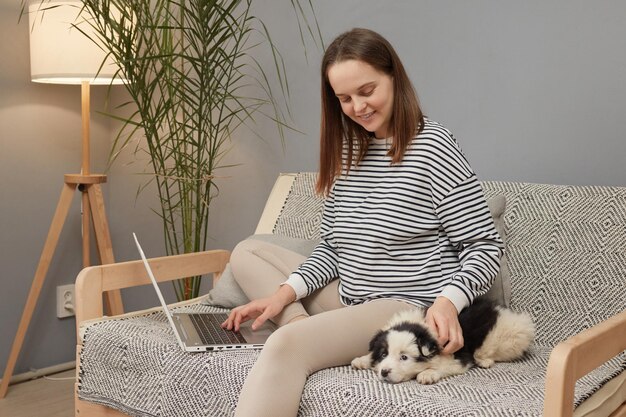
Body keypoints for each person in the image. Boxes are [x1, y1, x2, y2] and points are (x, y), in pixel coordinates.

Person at [222, 27, 503, 417]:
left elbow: (484, 247)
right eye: (344, 98)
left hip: (400, 307)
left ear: (394, 77)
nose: (358, 106)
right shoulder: (349, 153)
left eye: (367, 91)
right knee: (246, 252)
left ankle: (299, 336)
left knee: (284, 347)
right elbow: (333, 248)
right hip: (350, 294)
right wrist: (283, 296)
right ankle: (302, 325)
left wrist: (447, 302)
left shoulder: (434, 146)